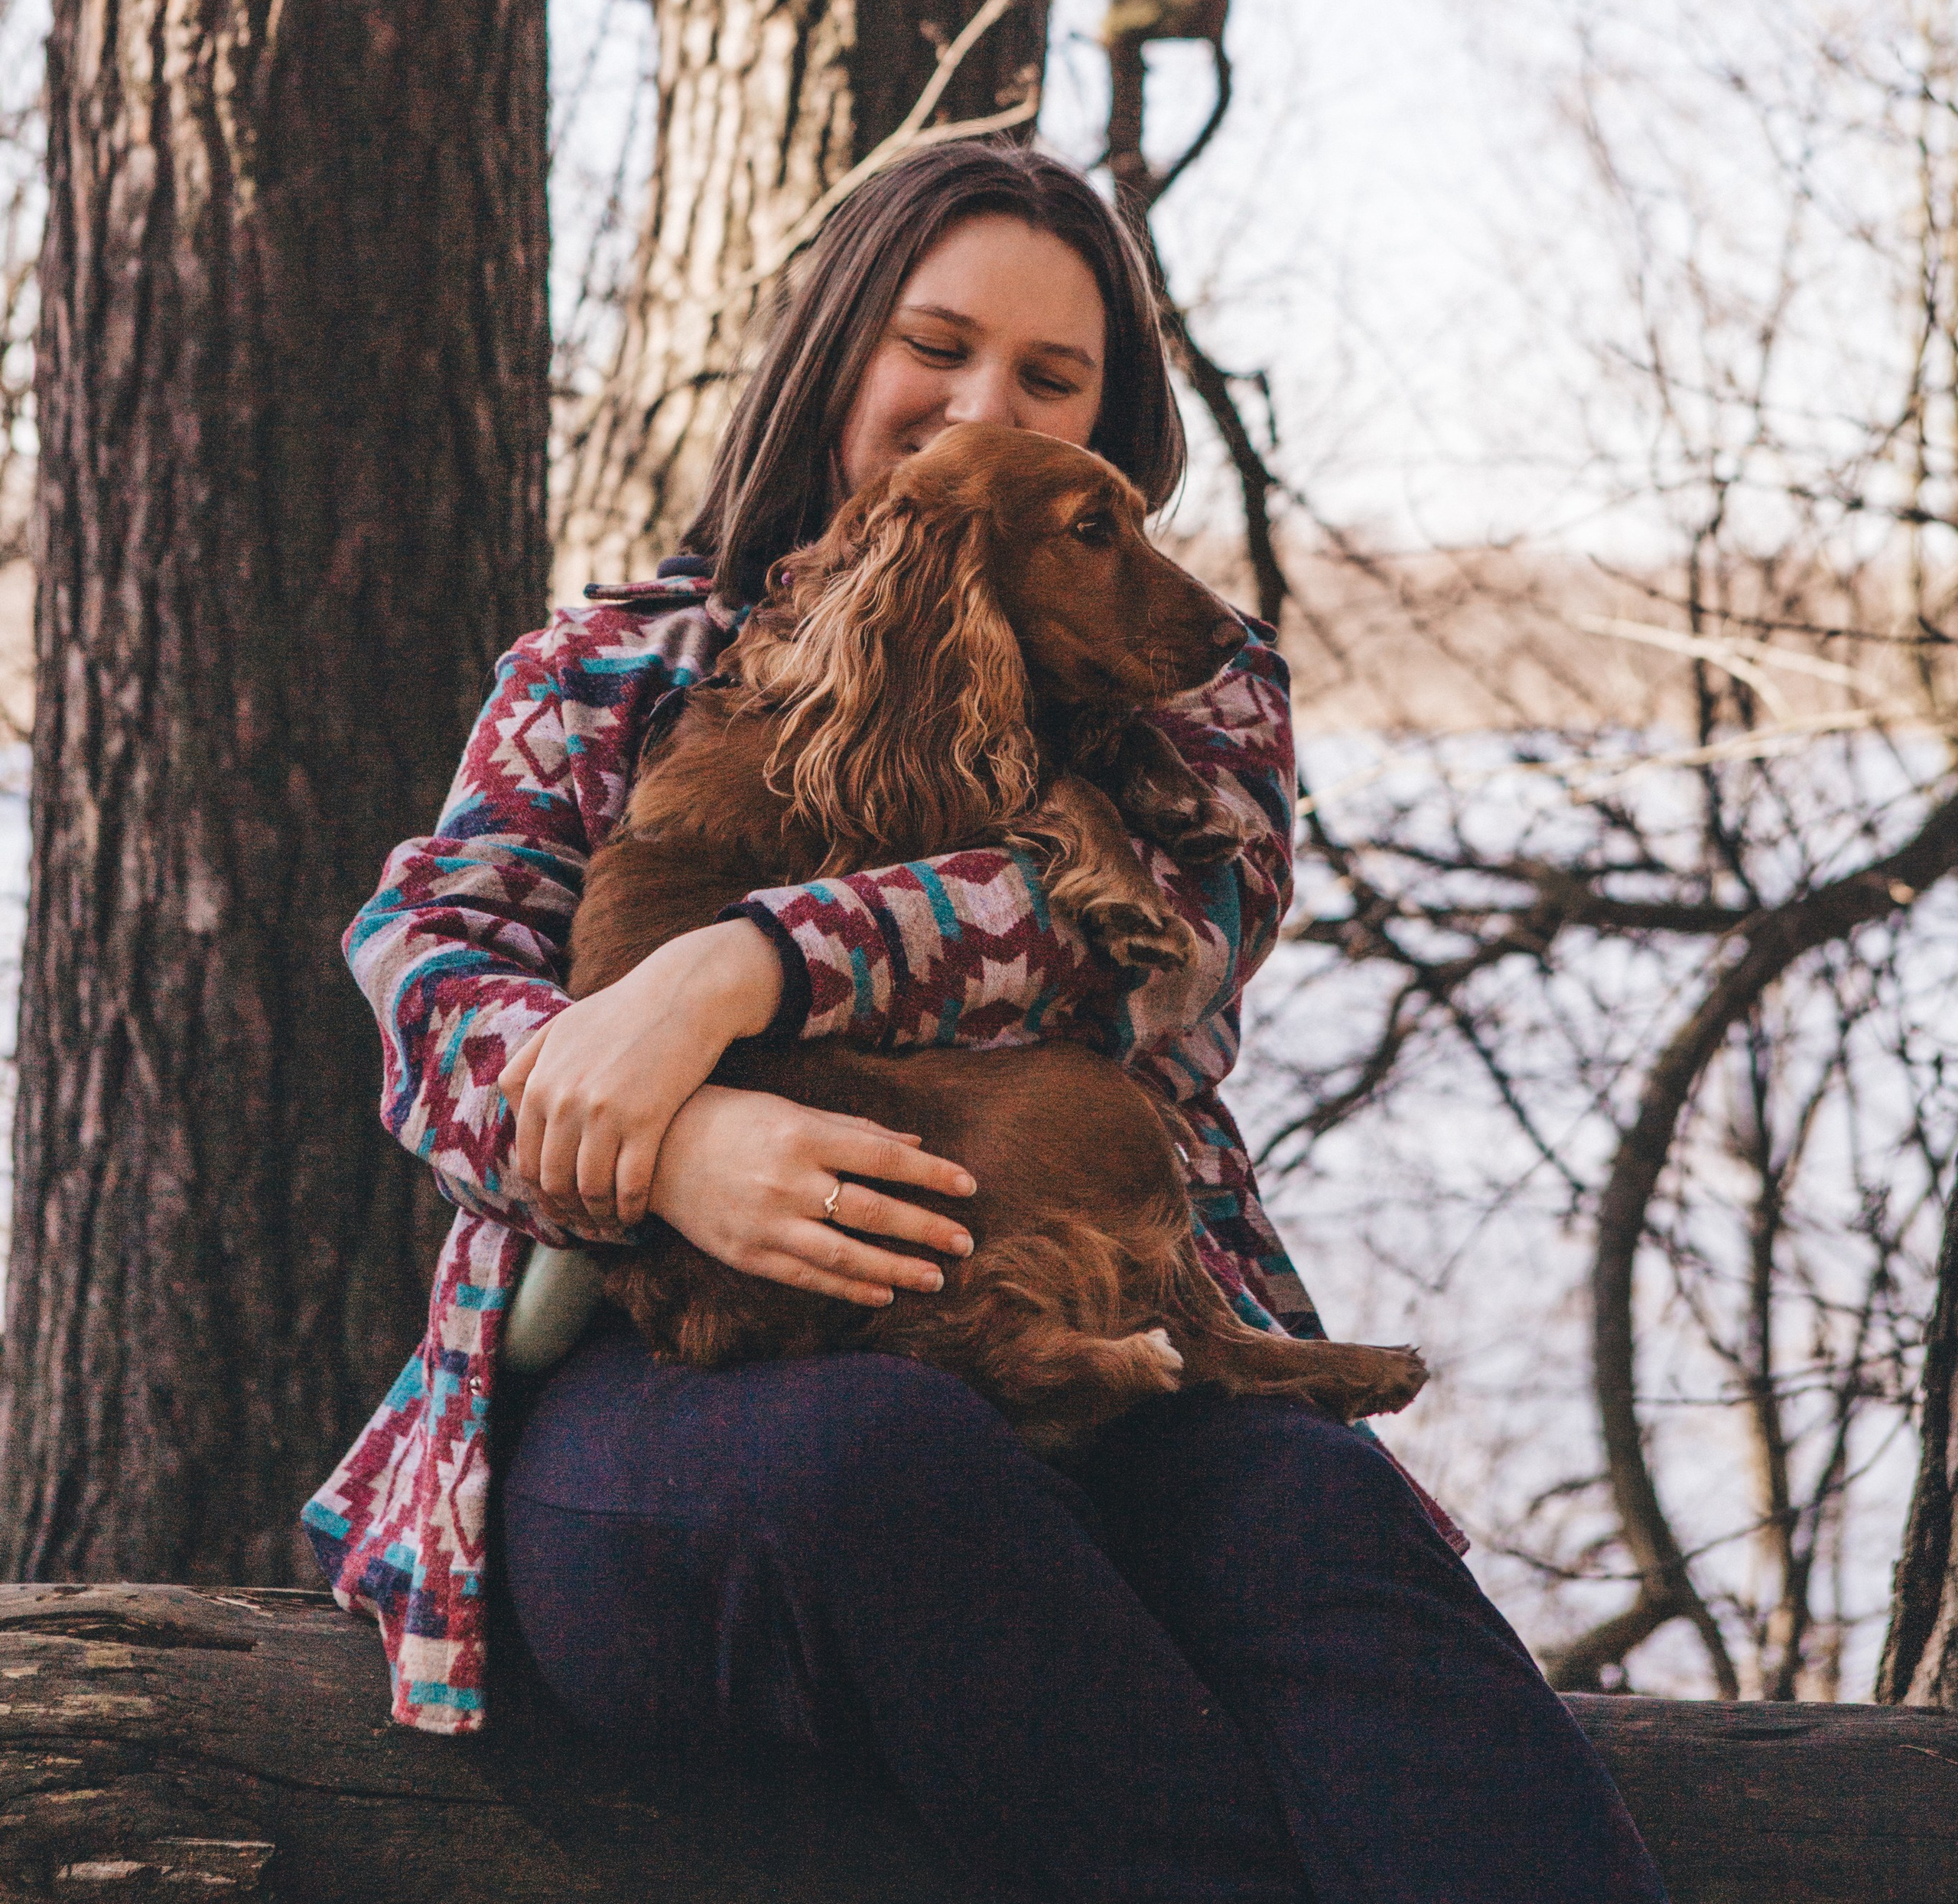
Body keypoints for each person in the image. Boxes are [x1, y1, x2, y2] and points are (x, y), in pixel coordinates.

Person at [306, 137, 1666, 1904]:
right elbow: (425, 967)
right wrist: (678, 1149)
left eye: (1047, 375)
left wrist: (738, 970)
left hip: (1110, 1341)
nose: (974, 396)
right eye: (931, 343)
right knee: (890, 1464)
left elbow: (1150, 947)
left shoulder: (1189, 685)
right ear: (838, 351)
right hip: (669, 1390)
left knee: (1314, 1519)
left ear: (1101, 430)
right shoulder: (604, 674)